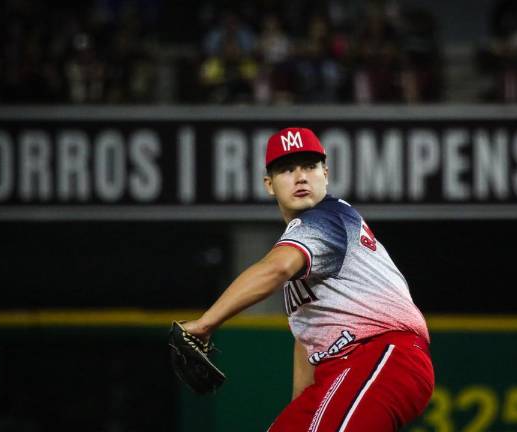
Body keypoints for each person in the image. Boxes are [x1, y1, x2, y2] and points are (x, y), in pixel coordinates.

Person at [179, 127, 433, 431]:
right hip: (339, 372)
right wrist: (301, 410)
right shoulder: (303, 249)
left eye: (310, 167)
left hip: (384, 355)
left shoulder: (326, 218)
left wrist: (205, 324)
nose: (300, 177)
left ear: (325, 174)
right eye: (287, 169)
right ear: (269, 185)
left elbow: (275, 269)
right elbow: (308, 341)